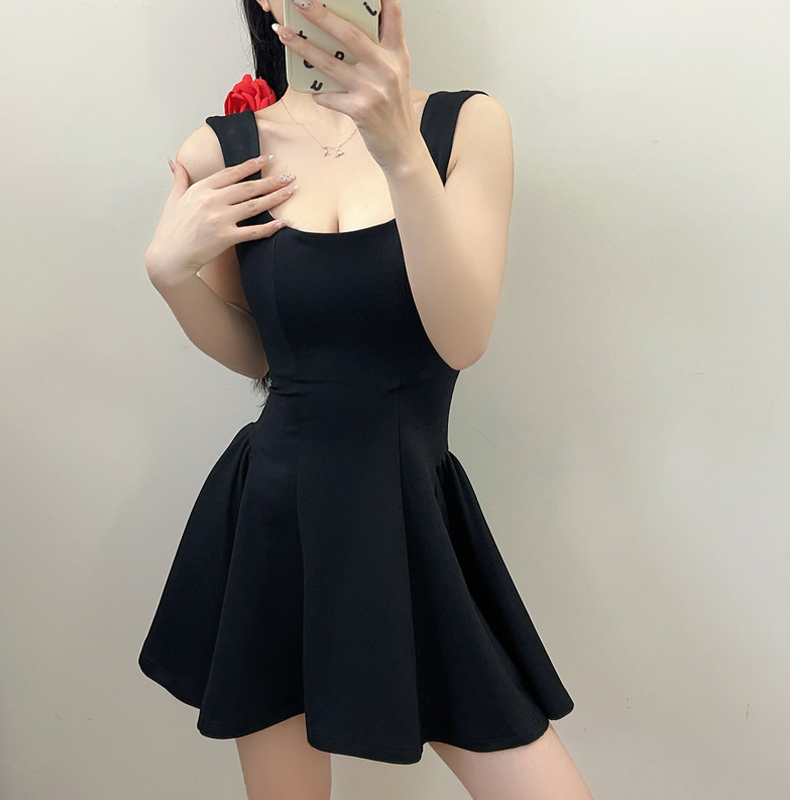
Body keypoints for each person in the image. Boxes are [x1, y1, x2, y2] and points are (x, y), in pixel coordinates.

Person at [138, 0, 595, 798]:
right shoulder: (222, 150)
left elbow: (462, 339)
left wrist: (401, 153)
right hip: (274, 516)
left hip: (410, 511)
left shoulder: (467, 127)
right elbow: (268, 359)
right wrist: (170, 279)